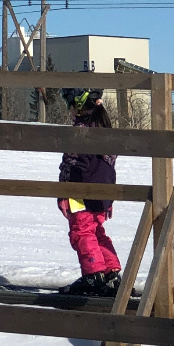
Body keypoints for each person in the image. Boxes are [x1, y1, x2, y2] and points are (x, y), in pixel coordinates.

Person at [58, 88, 121, 297]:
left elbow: (70, 163)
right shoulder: (105, 129)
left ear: (77, 105)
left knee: (82, 232)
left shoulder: (80, 130)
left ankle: (93, 274)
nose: (69, 111)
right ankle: (110, 271)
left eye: (69, 105)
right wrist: (109, 198)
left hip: (80, 191)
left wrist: (63, 192)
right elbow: (108, 166)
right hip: (103, 192)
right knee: (96, 231)